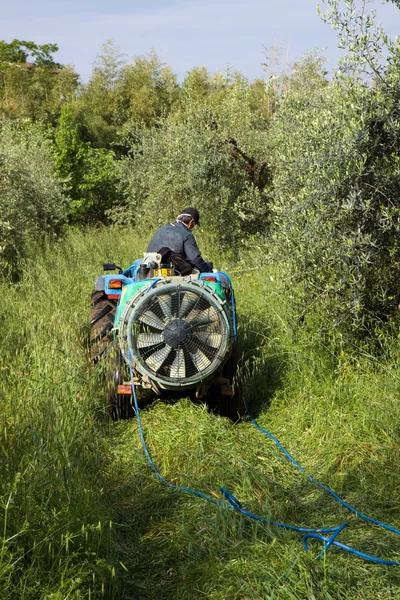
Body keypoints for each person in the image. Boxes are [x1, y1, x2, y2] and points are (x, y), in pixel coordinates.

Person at [146, 207, 213, 273]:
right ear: (191, 222)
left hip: (151, 268)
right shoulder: (187, 235)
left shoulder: (161, 229)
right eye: (194, 224)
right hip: (172, 271)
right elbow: (195, 259)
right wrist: (207, 269)